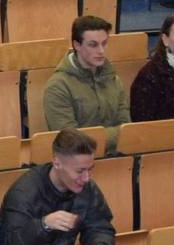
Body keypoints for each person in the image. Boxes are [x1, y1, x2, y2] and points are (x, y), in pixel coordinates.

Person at [0, 128, 116, 245]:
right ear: (57, 163)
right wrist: (43, 225)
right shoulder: (24, 192)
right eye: (79, 171)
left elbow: (100, 228)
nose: (86, 178)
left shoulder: (87, 188)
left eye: (90, 169)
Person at [39, 16, 128, 148]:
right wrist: (113, 136)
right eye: (93, 45)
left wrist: (95, 136)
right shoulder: (57, 87)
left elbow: (126, 129)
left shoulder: (113, 79)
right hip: (78, 158)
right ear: (77, 45)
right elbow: (70, 141)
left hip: (116, 155)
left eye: (104, 43)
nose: (101, 51)